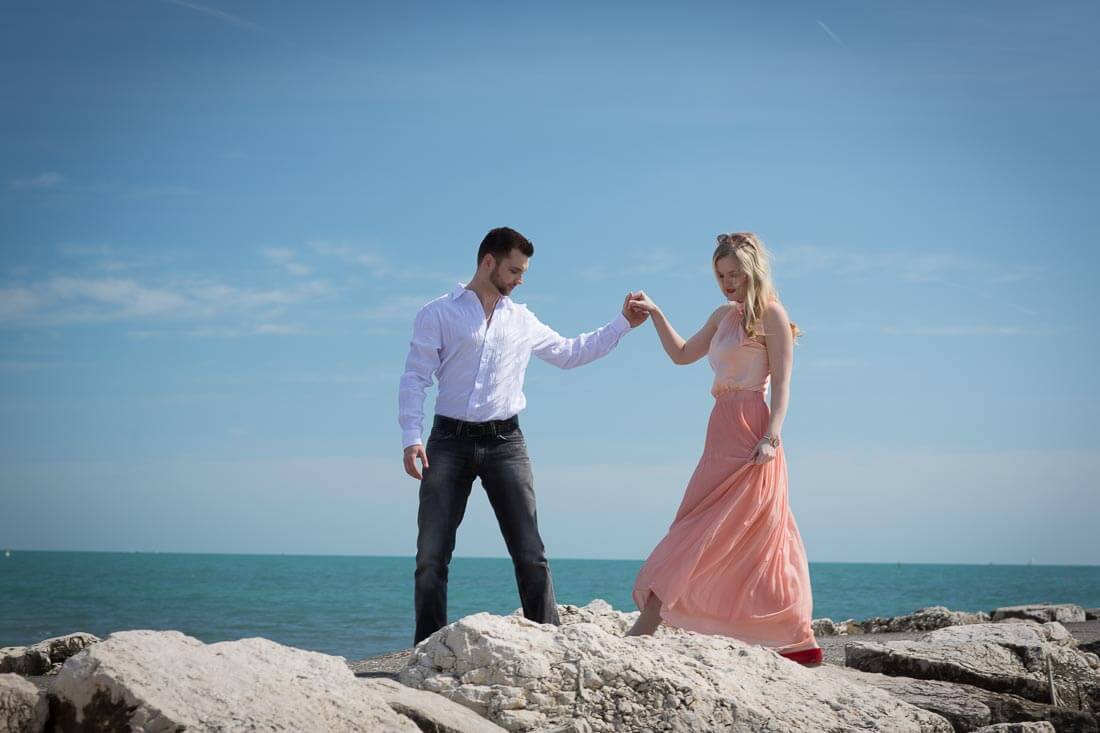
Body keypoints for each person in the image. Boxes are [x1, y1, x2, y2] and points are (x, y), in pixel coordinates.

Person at [398, 226, 648, 644]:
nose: (520, 279)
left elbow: (571, 353)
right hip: (448, 442)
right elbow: (415, 377)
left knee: (530, 552)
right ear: (489, 262)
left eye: (523, 272)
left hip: (506, 443)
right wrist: (411, 435)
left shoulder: (522, 319)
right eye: (514, 270)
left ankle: (548, 642)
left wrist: (622, 323)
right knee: (431, 556)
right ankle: (427, 648)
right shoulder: (437, 313)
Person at [624, 231, 823, 667]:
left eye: (733, 274)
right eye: (719, 275)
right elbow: (680, 355)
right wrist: (656, 313)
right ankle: (786, 636)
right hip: (719, 429)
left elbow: (784, 385)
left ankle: (653, 621)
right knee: (696, 525)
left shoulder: (772, 314)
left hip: (753, 432)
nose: (727, 282)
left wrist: (771, 437)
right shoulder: (721, 316)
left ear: (752, 271)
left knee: (753, 532)